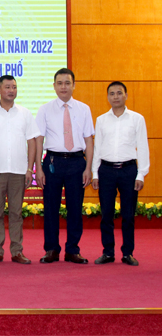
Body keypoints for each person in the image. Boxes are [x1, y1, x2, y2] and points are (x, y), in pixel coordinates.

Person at [35, 68, 94, 264]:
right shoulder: (45, 109)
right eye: (59, 83)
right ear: (54, 86)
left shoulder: (84, 109)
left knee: (75, 208)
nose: (63, 87)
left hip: (77, 162)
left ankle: (72, 250)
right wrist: (38, 167)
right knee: (51, 207)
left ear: (74, 85)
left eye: (67, 83)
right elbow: (39, 140)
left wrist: (89, 168)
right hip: (52, 162)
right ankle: (51, 249)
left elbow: (89, 140)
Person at [0, 75, 39, 264]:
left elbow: (32, 142)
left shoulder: (25, 113)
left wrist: (30, 169)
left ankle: (17, 251)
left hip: (19, 171)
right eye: (7, 87)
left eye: (14, 87)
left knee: (16, 212)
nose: (11, 90)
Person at [92, 81, 149, 266]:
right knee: (106, 214)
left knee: (128, 215)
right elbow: (97, 148)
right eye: (112, 93)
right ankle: (108, 252)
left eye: (119, 93)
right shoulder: (101, 120)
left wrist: (141, 174)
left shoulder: (137, 119)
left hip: (129, 171)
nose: (115, 96)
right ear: (107, 97)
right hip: (106, 170)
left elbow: (143, 147)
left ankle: (127, 253)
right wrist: (95, 173)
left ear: (126, 95)